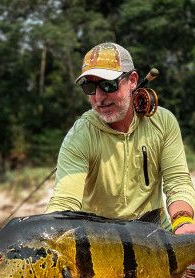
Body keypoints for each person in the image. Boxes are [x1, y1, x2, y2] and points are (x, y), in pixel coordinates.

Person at [46, 42, 195, 236]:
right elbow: (64, 203)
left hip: (158, 235)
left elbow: (177, 181)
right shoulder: (80, 135)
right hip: (102, 242)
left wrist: (183, 223)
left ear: (132, 80)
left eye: (109, 85)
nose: (99, 97)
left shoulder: (164, 122)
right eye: (90, 86)